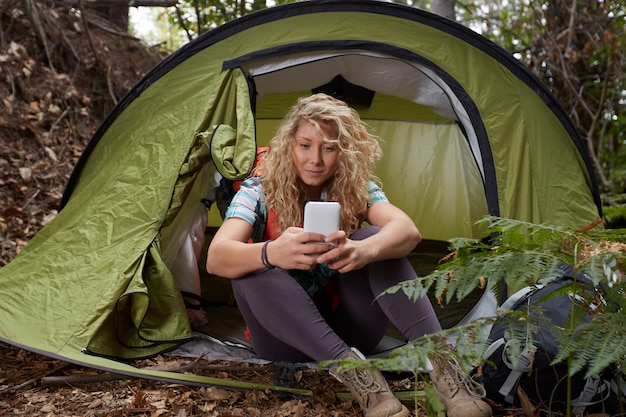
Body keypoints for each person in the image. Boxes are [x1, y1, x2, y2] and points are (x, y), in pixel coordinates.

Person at [206, 93, 492, 417]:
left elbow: (407, 231)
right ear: (289, 145)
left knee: (376, 237)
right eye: (305, 145)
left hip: (350, 325)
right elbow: (216, 257)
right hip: (285, 338)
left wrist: (363, 250)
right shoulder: (259, 189)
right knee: (249, 268)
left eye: (328, 147)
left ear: (343, 151)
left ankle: (445, 368)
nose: (315, 159)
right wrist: (272, 252)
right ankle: (359, 376)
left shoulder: (356, 186)